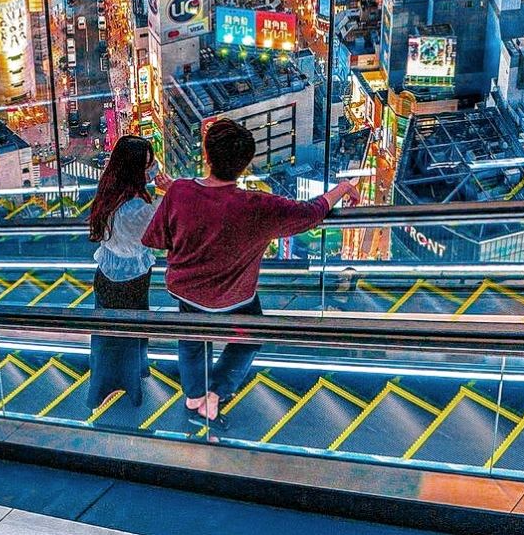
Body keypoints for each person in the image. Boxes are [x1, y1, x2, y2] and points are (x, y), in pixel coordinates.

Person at [143, 118, 359, 427]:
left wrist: (177, 202)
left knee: (192, 339)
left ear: (206, 156)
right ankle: (216, 392)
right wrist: (343, 187)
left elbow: (156, 240)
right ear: (244, 165)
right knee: (250, 336)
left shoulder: (179, 192)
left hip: (186, 292)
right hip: (235, 298)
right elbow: (310, 213)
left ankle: (194, 399)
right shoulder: (257, 206)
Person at [87, 134, 169, 412]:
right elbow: (162, 234)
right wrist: (166, 190)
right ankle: (129, 383)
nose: (153, 168)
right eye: (148, 164)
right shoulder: (138, 209)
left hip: (106, 274)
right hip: (132, 279)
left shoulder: (109, 191)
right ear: (136, 170)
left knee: (106, 336)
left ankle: (103, 385)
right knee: (132, 333)